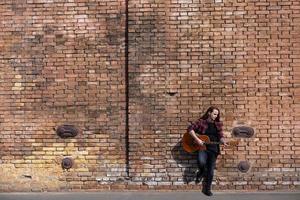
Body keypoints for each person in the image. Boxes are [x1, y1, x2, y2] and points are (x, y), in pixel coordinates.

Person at [187, 106, 226, 196]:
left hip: (214, 149)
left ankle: (207, 189)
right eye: (214, 114)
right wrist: (197, 139)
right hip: (203, 147)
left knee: (211, 171)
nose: (216, 116)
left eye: (217, 114)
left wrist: (223, 141)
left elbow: (220, 136)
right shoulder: (201, 122)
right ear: (209, 113)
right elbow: (190, 129)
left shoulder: (218, 124)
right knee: (201, 162)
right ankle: (201, 172)